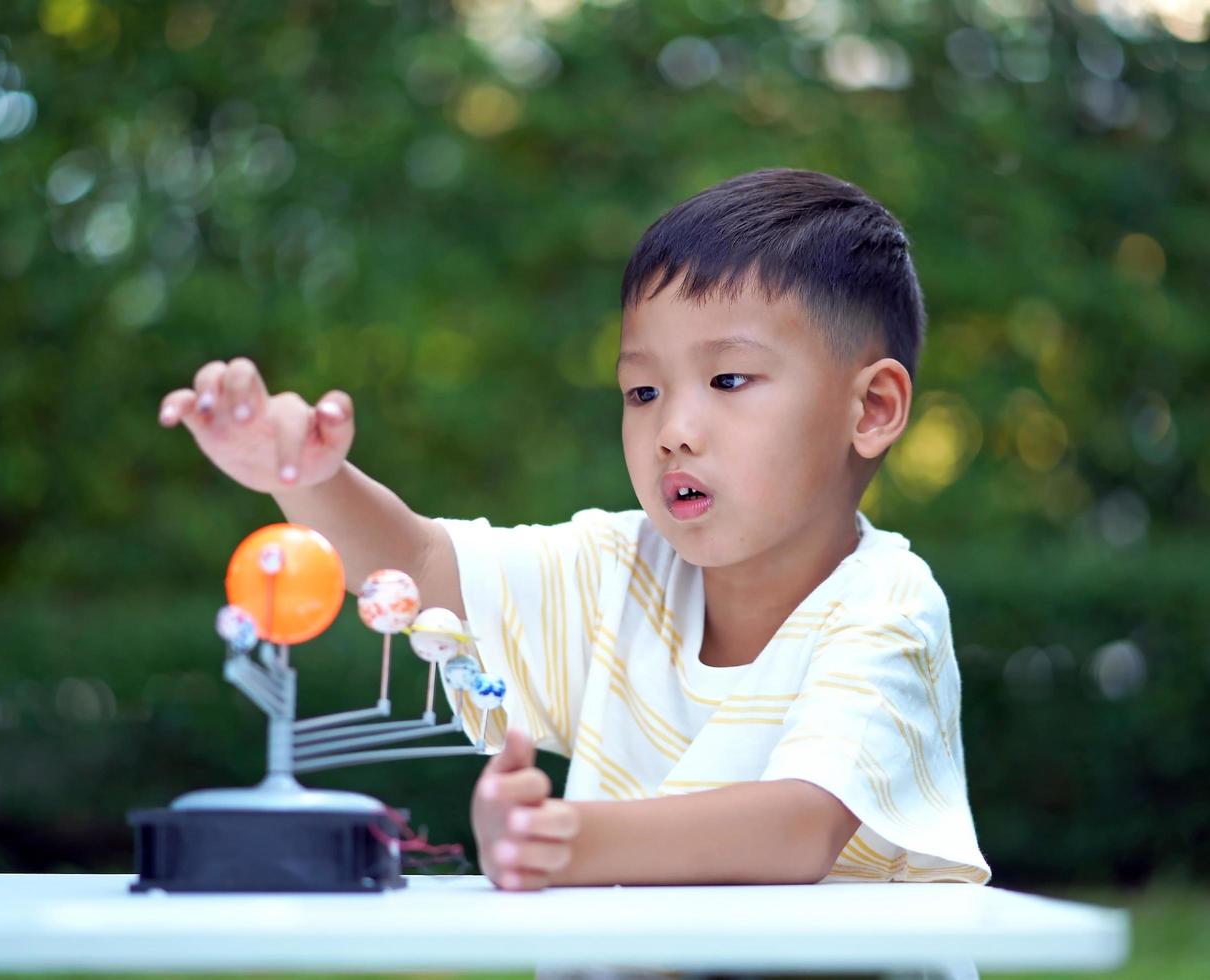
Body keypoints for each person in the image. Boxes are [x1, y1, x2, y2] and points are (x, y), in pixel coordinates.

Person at [157, 168, 991, 893]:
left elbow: (798, 829)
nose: (674, 430)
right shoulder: (615, 572)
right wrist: (301, 476)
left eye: (729, 378)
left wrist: (561, 840)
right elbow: (416, 563)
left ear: (872, 408)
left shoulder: (888, 604)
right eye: (642, 392)